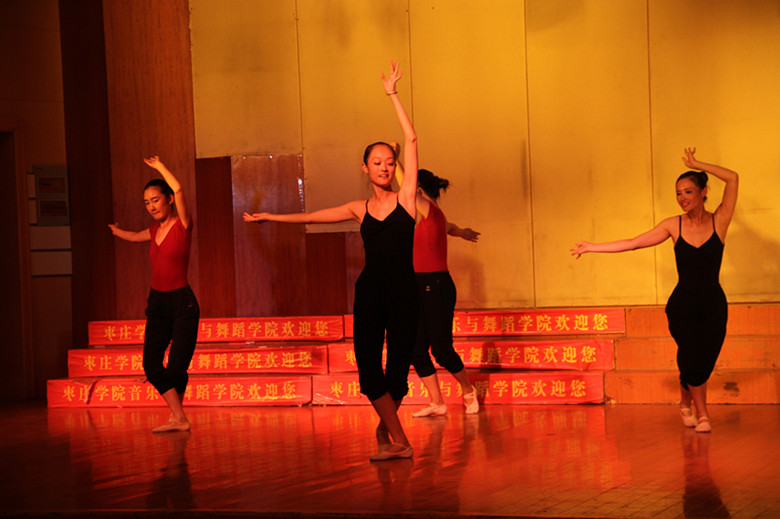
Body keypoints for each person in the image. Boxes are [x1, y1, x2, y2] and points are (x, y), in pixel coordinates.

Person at [244, 61, 419, 461]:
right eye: (377, 162)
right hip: (370, 294)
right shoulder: (359, 208)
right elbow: (313, 216)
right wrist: (271, 216)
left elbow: (410, 139)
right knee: (369, 371)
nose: (385, 167)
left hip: (404, 294)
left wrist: (392, 94)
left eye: (389, 162)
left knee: (397, 376)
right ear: (365, 168)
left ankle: (390, 434)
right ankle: (401, 441)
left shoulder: (407, 200)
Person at [571, 148, 738, 433]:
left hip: (713, 304)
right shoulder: (673, 225)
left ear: (704, 192)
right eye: (678, 193)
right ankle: (703, 415)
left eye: (688, 191)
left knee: (703, 359)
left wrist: (698, 164)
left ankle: (684, 402)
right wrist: (592, 247)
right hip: (683, 305)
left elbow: (733, 178)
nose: (682, 198)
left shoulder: (719, 221)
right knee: (691, 357)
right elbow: (633, 243)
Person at [109, 156, 200, 433]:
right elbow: (134, 237)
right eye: (146, 203)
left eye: (156, 200)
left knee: (176, 367)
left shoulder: (182, 225)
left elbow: (180, 189)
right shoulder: (153, 230)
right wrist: (117, 231)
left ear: (169, 200)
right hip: (158, 303)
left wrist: (160, 167)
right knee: (151, 364)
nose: (151, 206)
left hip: (182, 303)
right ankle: (178, 417)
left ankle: (177, 418)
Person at [394, 162, 481, 417]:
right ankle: (437, 402)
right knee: (416, 350)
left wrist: (396, 160)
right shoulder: (433, 218)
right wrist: (463, 232)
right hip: (417, 287)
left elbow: (408, 188)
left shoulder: (430, 211)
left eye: (413, 192)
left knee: (441, 350)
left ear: (419, 191)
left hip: (437, 286)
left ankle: (468, 390)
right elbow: (450, 227)